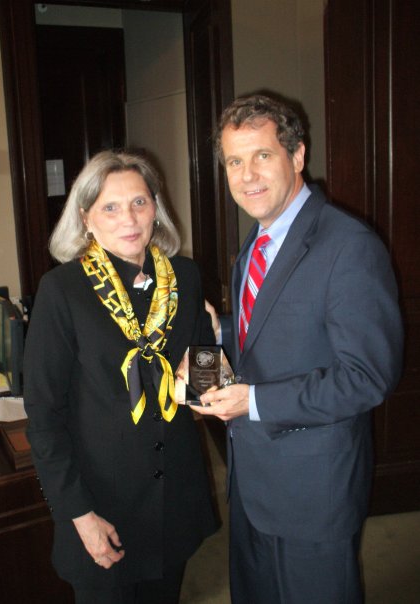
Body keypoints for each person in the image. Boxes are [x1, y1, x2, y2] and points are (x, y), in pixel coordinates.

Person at [194, 94, 404, 603]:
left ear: (298, 156)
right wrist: (216, 334)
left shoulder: (349, 245)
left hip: (313, 489)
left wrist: (255, 401)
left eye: (262, 155)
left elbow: (368, 376)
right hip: (252, 477)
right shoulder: (258, 238)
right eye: (234, 161)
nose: (247, 175)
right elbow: (270, 327)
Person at [23, 150, 218, 604]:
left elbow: (206, 389)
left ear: (156, 208)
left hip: (173, 499)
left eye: (139, 202)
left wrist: (209, 345)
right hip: (99, 505)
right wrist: (80, 515)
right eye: (110, 207)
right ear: (86, 217)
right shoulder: (62, 292)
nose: (128, 218)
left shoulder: (184, 278)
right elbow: (44, 418)